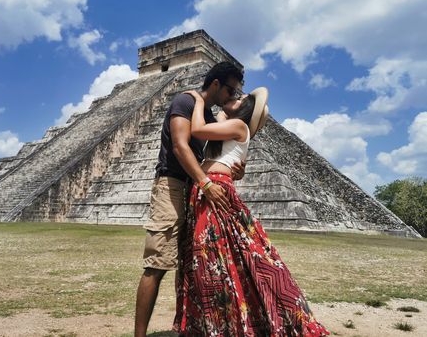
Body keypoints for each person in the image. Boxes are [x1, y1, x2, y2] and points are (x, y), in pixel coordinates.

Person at [173, 88, 330, 336]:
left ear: (244, 108)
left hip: (215, 190)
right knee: (216, 258)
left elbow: (197, 130)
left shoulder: (238, 126)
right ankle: (220, 322)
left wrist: (200, 100)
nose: (233, 97)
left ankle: (229, 322)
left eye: (239, 98)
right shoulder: (228, 125)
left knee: (211, 256)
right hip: (207, 190)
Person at [134, 61, 245, 337]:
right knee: (157, 265)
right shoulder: (185, 101)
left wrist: (234, 169)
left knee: (187, 266)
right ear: (216, 84)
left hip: (193, 190)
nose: (233, 97)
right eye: (231, 90)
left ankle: (184, 327)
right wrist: (206, 183)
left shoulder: (205, 115)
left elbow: (215, 156)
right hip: (172, 185)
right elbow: (180, 146)